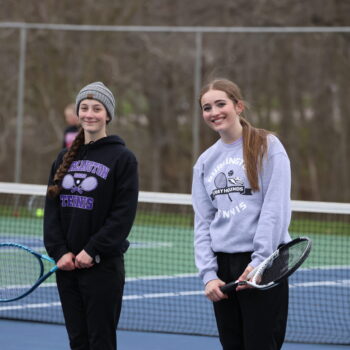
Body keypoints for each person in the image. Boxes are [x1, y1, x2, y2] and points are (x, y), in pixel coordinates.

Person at [191, 78, 292, 350]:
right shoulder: (204, 162)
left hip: (265, 263)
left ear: (238, 106)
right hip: (224, 270)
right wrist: (209, 275)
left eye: (221, 104)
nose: (214, 112)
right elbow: (203, 223)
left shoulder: (267, 145)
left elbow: (274, 209)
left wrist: (259, 262)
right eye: (207, 107)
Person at [44, 82, 139, 350]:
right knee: (78, 341)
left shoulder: (123, 158)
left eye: (97, 108)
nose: (89, 114)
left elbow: (123, 214)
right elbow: (51, 211)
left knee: (101, 342)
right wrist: (59, 252)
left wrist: (92, 250)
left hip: (102, 269)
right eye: (84, 108)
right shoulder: (63, 158)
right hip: (67, 267)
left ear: (107, 114)